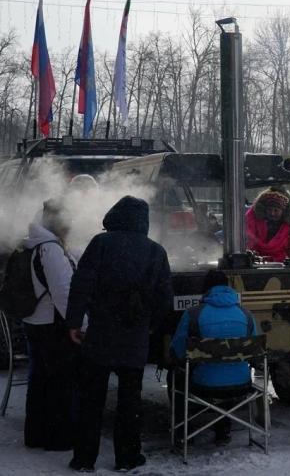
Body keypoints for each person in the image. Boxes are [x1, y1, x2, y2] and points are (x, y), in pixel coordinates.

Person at [66, 196, 173, 472]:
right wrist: (150, 326)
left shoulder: (100, 243)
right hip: (134, 336)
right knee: (130, 401)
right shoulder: (156, 251)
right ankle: (127, 457)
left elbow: (81, 284)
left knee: (91, 399)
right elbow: (165, 299)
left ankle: (83, 459)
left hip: (100, 333)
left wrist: (74, 323)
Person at [169, 270, 260, 446]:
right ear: (228, 287)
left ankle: (183, 432)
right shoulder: (246, 314)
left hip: (203, 384)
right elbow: (255, 353)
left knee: (176, 377)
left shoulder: (193, 314)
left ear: (206, 289)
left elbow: (177, 351)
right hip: (241, 385)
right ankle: (223, 430)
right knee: (225, 369)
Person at [21, 199, 78, 451]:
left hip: (34, 320)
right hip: (52, 323)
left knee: (39, 380)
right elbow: (63, 292)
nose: (71, 225)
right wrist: (78, 324)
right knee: (60, 381)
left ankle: (36, 434)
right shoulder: (51, 249)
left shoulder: (33, 243)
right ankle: (59, 438)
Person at [245, 187, 290, 265]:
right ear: (264, 209)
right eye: (269, 210)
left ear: (284, 211)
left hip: (283, 265)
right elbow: (247, 242)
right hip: (256, 263)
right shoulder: (252, 218)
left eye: (276, 210)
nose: (272, 213)